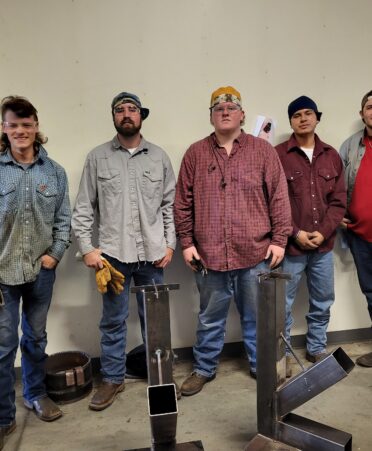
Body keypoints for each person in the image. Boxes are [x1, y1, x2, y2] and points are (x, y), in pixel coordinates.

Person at [174, 86, 292, 396]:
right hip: (209, 256)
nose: (225, 112)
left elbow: (279, 196)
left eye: (231, 107)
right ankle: (203, 368)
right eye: (218, 108)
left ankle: (261, 365)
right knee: (210, 318)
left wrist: (279, 239)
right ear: (211, 116)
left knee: (256, 316)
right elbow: (182, 202)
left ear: (242, 114)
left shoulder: (262, 151)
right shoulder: (195, 153)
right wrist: (186, 243)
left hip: (254, 253)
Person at [72, 92, 176, 410]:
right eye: (120, 110)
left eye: (132, 109)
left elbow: (169, 205)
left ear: (141, 115)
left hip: (153, 254)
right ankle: (113, 379)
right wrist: (88, 249)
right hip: (113, 256)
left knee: (155, 322)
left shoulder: (158, 157)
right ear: (113, 117)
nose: (126, 114)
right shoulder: (98, 157)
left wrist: (170, 244)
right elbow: (83, 208)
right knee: (113, 320)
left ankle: (160, 378)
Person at [0, 96, 71, 449]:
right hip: (2, 275)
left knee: (35, 338)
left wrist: (54, 256)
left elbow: (64, 220)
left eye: (27, 125)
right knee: (2, 346)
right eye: (13, 124)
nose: (20, 131)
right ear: (4, 128)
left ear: (36, 126)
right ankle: (3, 417)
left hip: (41, 272)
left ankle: (35, 394)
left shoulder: (53, 172)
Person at [276, 96, 346, 376]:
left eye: (308, 114)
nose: (303, 118)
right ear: (291, 121)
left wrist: (323, 232)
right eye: (296, 115)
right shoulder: (278, 155)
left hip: (323, 246)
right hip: (292, 248)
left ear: (317, 118)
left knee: (323, 300)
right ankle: (283, 354)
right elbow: (274, 200)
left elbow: (339, 201)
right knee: (283, 304)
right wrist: (295, 233)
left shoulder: (331, 155)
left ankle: (316, 347)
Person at [340, 90, 372, 368]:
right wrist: (339, 216)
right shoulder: (350, 147)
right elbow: (336, 188)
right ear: (361, 113)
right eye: (370, 107)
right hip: (361, 237)